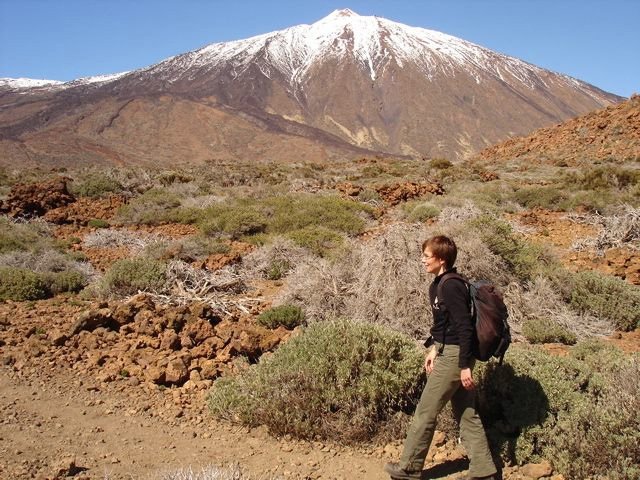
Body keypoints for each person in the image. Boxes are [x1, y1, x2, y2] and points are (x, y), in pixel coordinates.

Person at [384, 235, 497, 480]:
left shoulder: (451, 286)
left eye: (427, 256)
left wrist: (464, 366)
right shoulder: (437, 285)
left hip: (456, 357)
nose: (422, 260)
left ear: (442, 259)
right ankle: (484, 470)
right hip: (450, 352)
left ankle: (409, 468)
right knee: (466, 413)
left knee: (425, 411)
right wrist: (434, 348)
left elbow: (464, 328)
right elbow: (444, 325)